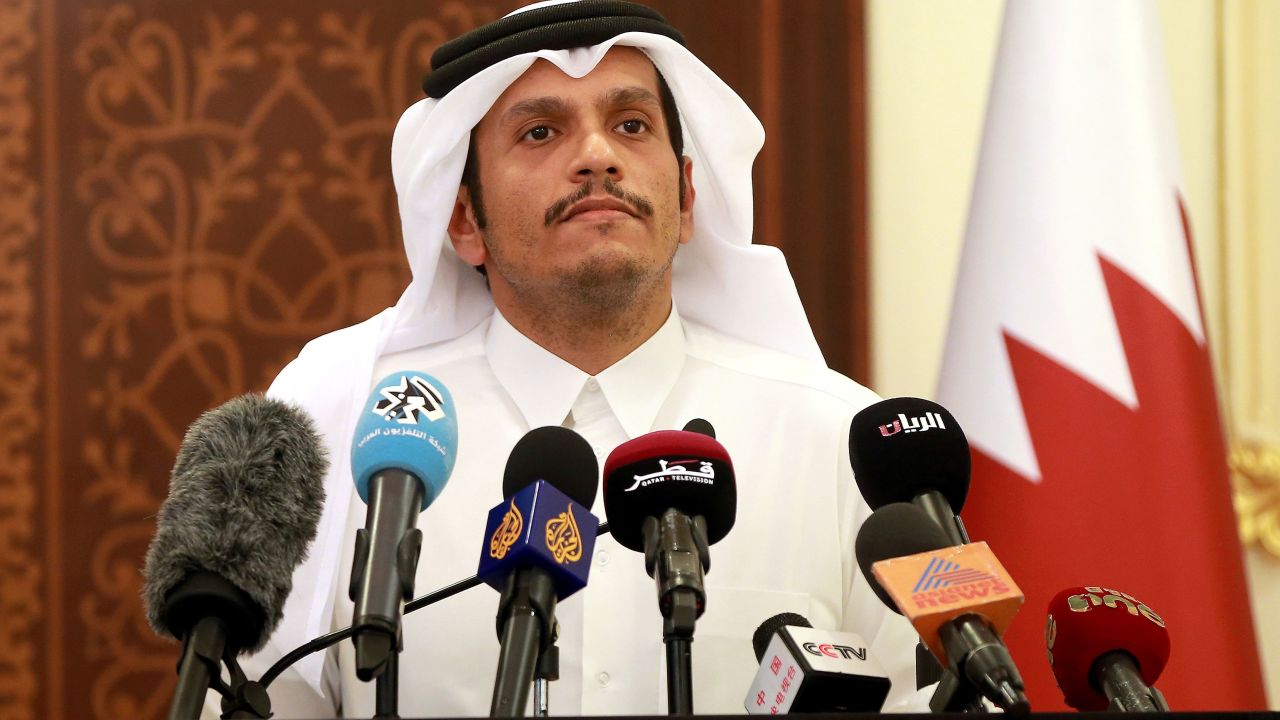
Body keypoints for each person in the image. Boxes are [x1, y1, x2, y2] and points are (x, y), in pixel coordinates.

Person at [241, 1, 925, 716]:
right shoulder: (347, 434)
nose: (598, 154)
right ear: (462, 219)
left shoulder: (839, 441)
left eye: (632, 125)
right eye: (541, 132)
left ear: (688, 198)